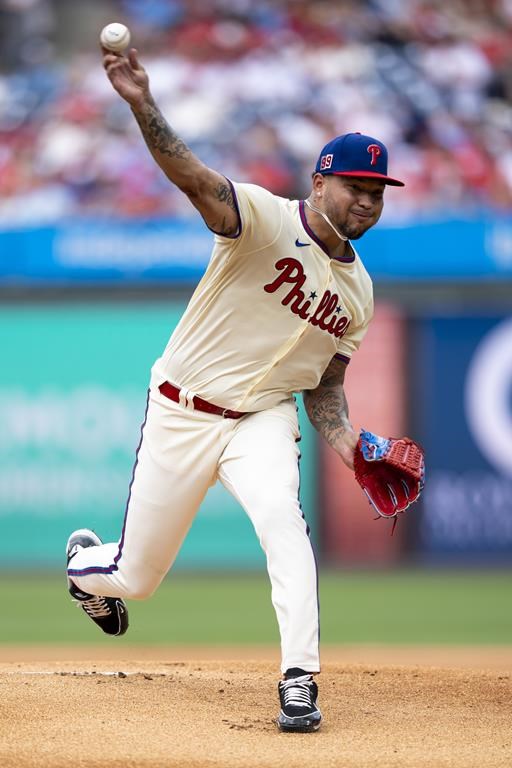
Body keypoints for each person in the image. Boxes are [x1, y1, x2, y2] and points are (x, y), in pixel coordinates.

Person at [66, 45, 404, 734]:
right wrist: (141, 103)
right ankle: (83, 567)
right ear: (320, 182)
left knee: (285, 524)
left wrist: (349, 448)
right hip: (182, 410)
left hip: (262, 420)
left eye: (376, 191)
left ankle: (300, 680)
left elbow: (325, 390)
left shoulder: (360, 292)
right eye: (355, 186)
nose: (366, 200)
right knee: (136, 578)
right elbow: (190, 176)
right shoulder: (261, 218)